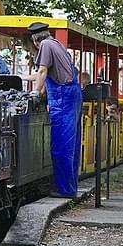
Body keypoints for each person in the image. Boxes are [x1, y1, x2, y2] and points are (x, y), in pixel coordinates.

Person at [29, 22, 82, 198]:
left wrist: (36, 92)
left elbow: (42, 71)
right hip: (72, 93)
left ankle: (65, 189)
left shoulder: (44, 45)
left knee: (61, 144)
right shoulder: (57, 44)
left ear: (35, 40)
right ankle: (71, 186)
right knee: (72, 145)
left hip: (62, 96)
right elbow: (46, 74)